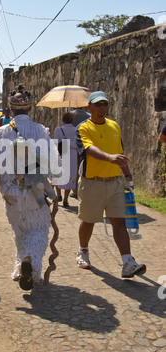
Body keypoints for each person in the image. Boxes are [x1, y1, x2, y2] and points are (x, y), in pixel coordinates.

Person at [0, 85, 58, 290]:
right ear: (30, 109)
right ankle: (30, 262)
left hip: (10, 192)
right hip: (34, 191)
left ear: (11, 109)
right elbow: (55, 164)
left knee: (19, 229)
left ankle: (21, 266)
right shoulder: (40, 130)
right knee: (38, 228)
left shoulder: (2, 132)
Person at [76, 91, 146, 278]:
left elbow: (120, 153)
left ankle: (127, 262)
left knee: (119, 222)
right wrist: (109, 157)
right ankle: (83, 251)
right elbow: (89, 149)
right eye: (97, 104)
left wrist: (127, 174)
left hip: (114, 182)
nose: (102, 107)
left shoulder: (114, 126)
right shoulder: (84, 128)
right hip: (92, 182)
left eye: (104, 104)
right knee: (89, 220)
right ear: (88, 107)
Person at [54, 112, 77, 207]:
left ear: (63, 120)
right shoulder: (76, 130)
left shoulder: (58, 129)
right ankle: (65, 199)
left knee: (57, 174)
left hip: (61, 153)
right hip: (72, 155)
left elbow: (55, 142)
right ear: (72, 120)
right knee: (70, 176)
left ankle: (58, 195)